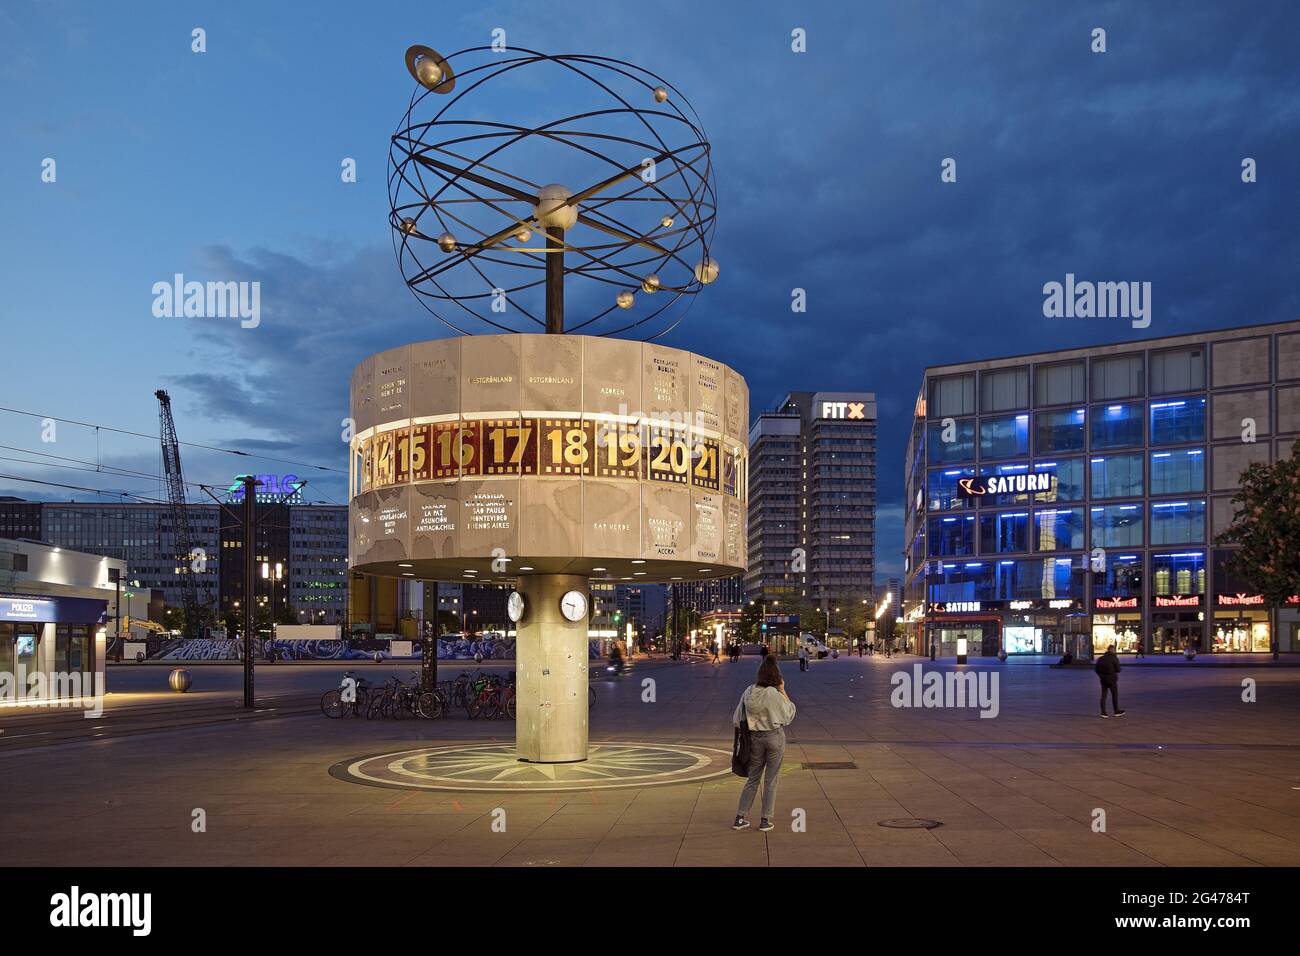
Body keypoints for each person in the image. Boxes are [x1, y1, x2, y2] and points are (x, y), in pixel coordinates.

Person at [732, 655, 796, 833]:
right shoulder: (773, 694)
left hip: (754, 738)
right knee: (771, 780)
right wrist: (783, 690)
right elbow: (789, 714)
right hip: (774, 737)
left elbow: (737, 718)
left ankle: (740, 817)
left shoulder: (749, 691)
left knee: (753, 779)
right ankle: (765, 820)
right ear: (776, 677)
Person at [1095, 644, 1126, 717]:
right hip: (1112, 680)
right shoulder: (1114, 658)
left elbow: (1096, 669)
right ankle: (1116, 711)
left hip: (1103, 680)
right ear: (1112, 650)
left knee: (1103, 696)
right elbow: (1118, 669)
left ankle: (1103, 712)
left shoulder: (1101, 658)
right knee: (1114, 695)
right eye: (1114, 650)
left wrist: (1101, 676)